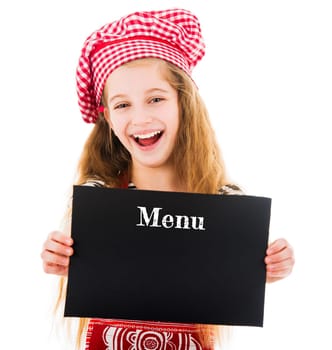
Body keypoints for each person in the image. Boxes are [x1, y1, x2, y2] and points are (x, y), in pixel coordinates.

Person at [41, 8, 295, 350]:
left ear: (184, 104)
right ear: (107, 119)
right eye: (122, 105)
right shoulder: (97, 199)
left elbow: (240, 272)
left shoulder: (224, 203)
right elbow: (85, 265)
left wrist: (270, 265)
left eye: (156, 99)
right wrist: (61, 256)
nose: (140, 117)